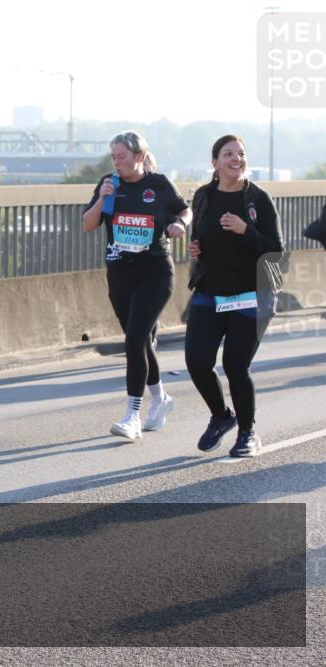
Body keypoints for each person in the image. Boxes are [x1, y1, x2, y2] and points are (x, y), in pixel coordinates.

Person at [82, 131, 192, 441]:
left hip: (155, 273)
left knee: (134, 340)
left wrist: (179, 224)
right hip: (119, 274)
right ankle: (161, 398)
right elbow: (88, 225)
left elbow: (185, 209)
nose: (116, 163)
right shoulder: (109, 184)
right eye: (113, 157)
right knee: (140, 341)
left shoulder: (157, 185)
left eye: (122, 157)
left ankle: (132, 415)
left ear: (139, 157)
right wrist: (103, 198)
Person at [186, 135, 284, 457]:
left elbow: (276, 251)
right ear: (215, 163)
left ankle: (247, 432)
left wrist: (246, 230)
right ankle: (221, 416)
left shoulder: (258, 199)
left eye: (241, 153)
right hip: (210, 292)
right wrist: (195, 249)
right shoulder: (203, 196)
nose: (236, 159)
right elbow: (198, 235)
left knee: (235, 365)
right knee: (197, 361)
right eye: (228, 154)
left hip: (252, 295)